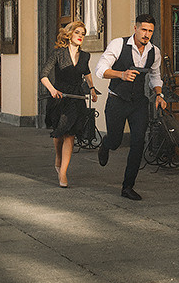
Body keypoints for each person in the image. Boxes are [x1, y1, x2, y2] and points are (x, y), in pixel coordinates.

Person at [94, 14, 167, 200]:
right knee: (116, 141)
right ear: (135, 28)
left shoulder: (154, 52)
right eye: (143, 30)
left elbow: (155, 76)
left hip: (138, 104)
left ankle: (127, 186)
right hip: (117, 100)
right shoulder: (118, 44)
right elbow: (100, 69)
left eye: (150, 31)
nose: (147, 34)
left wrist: (159, 94)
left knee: (138, 143)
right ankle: (106, 144)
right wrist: (121, 74)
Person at [40, 20, 98, 188]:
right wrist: (52, 89)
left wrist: (92, 89)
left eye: (83, 34)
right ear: (69, 34)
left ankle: (63, 173)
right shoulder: (58, 53)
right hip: (59, 97)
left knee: (70, 134)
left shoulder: (85, 56)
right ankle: (58, 157)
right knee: (59, 135)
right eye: (77, 33)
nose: (81, 36)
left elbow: (86, 72)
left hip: (76, 97)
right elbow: (44, 74)